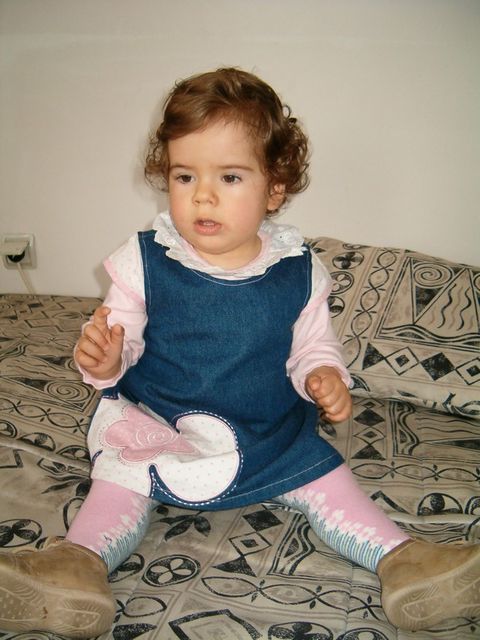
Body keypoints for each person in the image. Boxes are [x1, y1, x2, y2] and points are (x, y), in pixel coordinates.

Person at [0, 67, 478, 639]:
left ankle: (405, 562)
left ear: (274, 188)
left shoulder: (299, 270)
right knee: (117, 475)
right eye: (184, 176)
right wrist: (104, 359)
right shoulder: (144, 259)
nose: (202, 195)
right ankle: (76, 568)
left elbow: (313, 345)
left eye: (229, 176)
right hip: (159, 425)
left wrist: (323, 373)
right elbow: (120, 337)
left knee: (327, 477)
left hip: (268, 434)